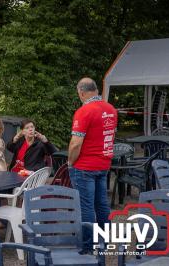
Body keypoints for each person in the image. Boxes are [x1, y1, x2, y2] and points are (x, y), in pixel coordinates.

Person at [68, 77, 117, 253]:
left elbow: (75, 143)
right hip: (103, 164)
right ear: (95, 90)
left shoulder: (84, 111)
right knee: (101, 204)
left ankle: (88, 245)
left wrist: (70, 162)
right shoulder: (111, 109)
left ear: (81, 92)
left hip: (85, 166)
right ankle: (104, 241)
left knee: (86, 206)